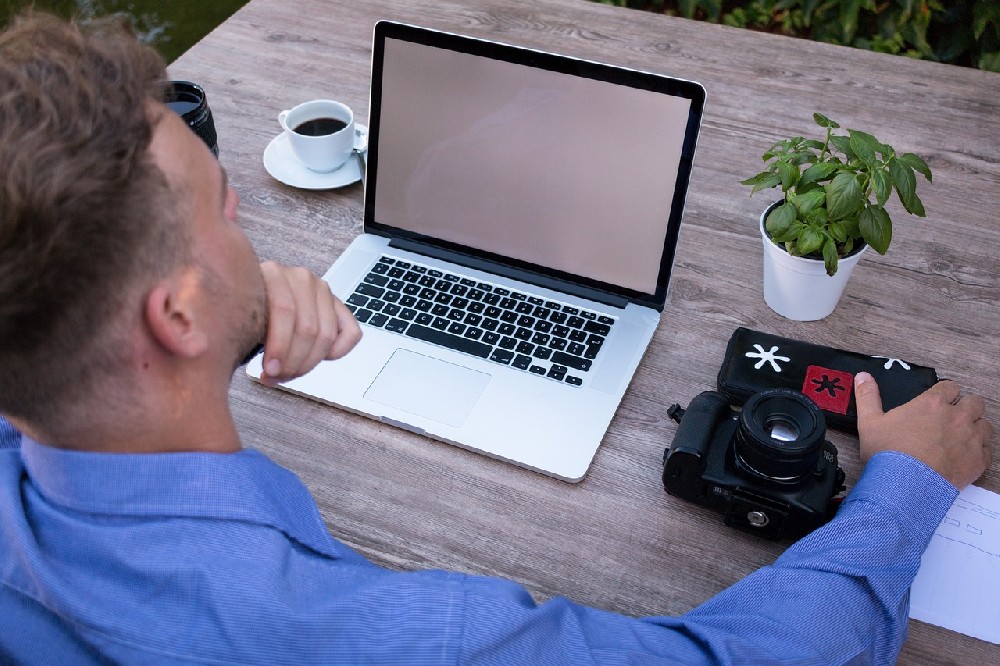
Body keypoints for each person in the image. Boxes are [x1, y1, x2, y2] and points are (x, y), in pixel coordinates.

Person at [0, 11, 994, 665]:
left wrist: (230, 302)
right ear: (171, 316)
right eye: (224, 205)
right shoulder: (382, 639)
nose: (246, 232)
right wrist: (906, 489)